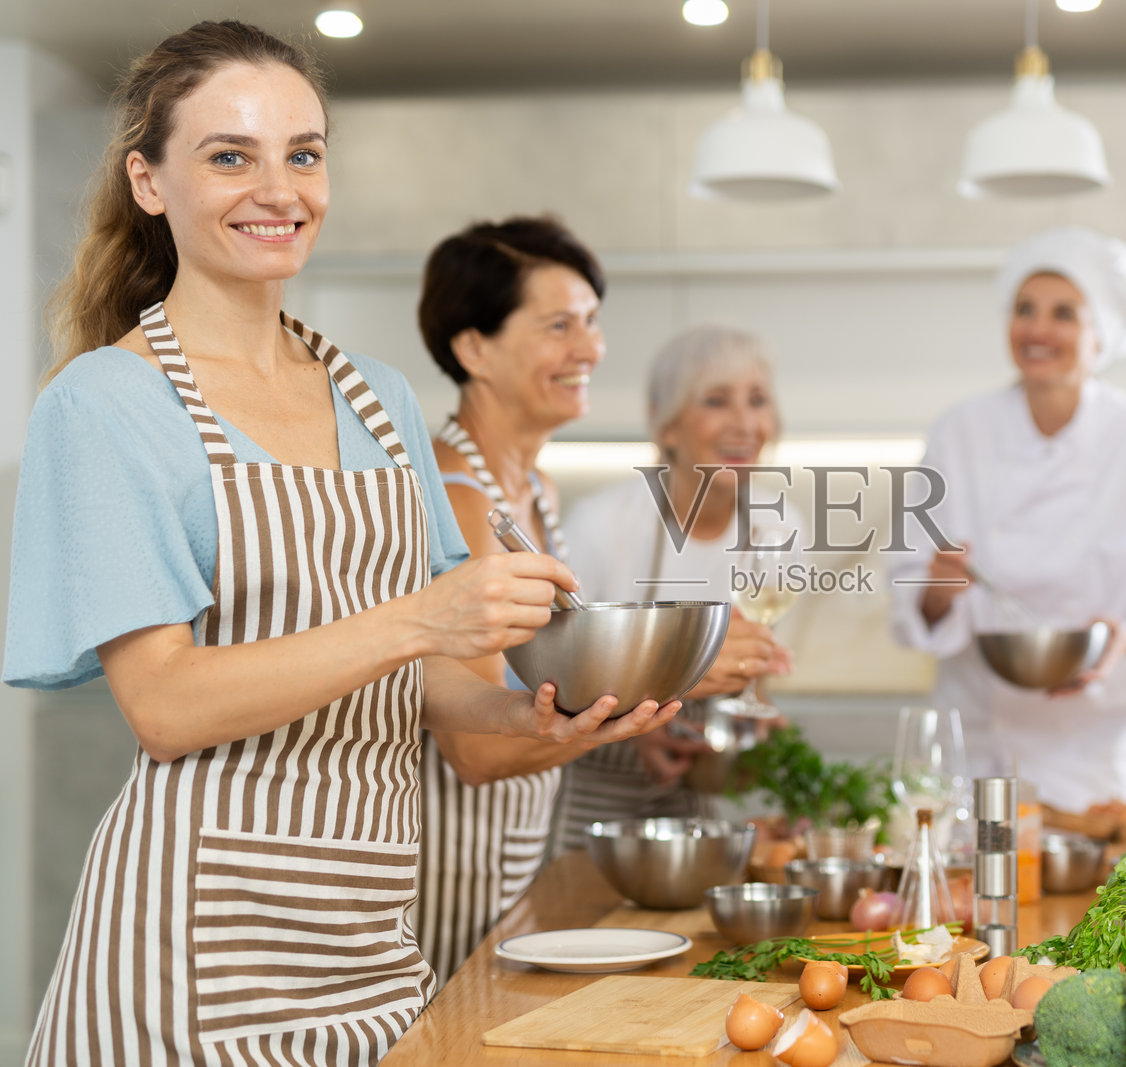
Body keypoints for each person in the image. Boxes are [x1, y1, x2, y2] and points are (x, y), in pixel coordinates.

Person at [2, 23, 675, 1065]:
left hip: (366, 933)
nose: (279, 189)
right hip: (197, 946)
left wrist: (541, 719)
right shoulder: (106, 402)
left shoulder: (377, 395)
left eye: (302, 153)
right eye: (231, 155)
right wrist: (418, 618)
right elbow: (167, 704)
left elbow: (424, 681)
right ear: (149, 181)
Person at [887, 227, 1126, 813]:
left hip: (1096, 743)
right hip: (979, 726)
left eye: (1064, 313)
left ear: (1100, 335)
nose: (1038, 330)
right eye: (1024, 309)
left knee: (1088, 897)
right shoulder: (958, 434)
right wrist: (937, 590)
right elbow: (910, 590)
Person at [411, 215, 623, 978]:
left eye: (592, 322)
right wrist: (627, 708)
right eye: (559, 325)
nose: (590, 349)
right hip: (443, 875)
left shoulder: (534, 488)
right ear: (474, 348)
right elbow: (475, 745)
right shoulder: (456, 494)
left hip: (507, 861)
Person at [551, 324, 794, 853]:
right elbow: (553, 680)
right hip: (592, 800)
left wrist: (753, 725)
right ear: (667, 424)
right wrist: (636, 724)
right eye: (716, 400)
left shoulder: (779, 529)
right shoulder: (603, 524)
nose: (745, 423)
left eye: (757, 400)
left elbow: (757, 667)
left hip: (695, 810)